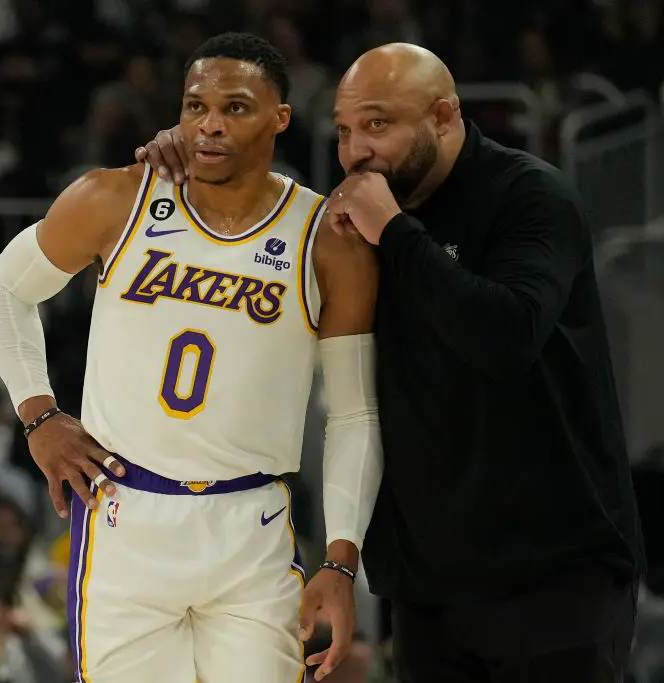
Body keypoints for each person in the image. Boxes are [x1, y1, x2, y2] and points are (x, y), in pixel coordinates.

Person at [137, 42, 644, 683]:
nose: (356, 151)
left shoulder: (531, 197)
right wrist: (189, 152)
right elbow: (243, 265)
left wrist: (397, 233)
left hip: (554, 575)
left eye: (378, 124)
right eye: (345, 130)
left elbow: (506, 338)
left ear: (443, 116)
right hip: (429, 586)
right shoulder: (355, 221)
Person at [0, 32, 383, 683]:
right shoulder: (120, 197)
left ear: (281, 117)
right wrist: (38, 413)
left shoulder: (326, 240)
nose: (211, 125)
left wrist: (340, 558)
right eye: (196, 107)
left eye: (236, 107)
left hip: (250, 526)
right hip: (124, 513)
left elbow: (355, 413)